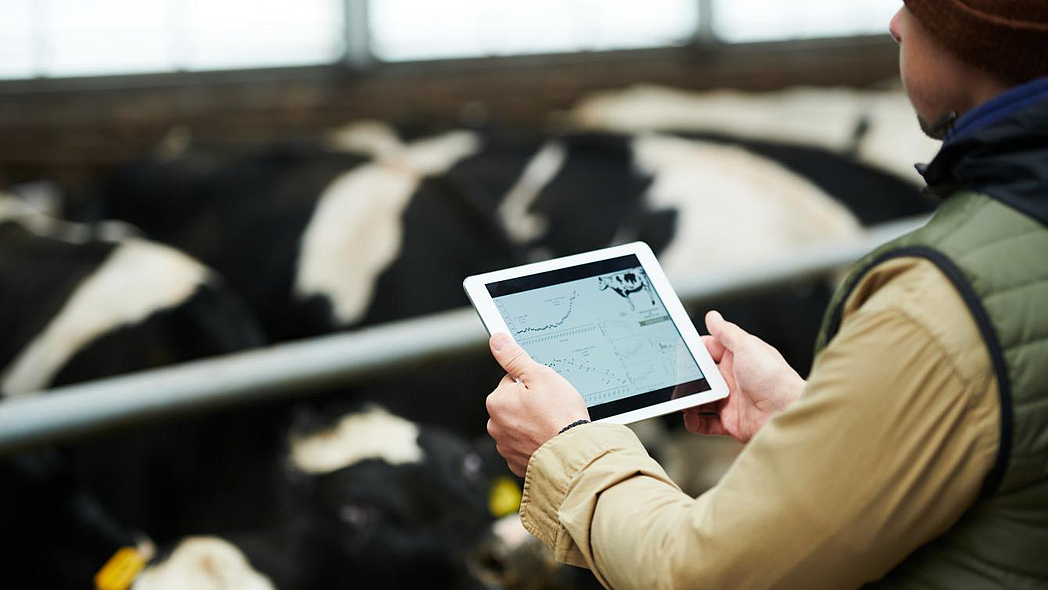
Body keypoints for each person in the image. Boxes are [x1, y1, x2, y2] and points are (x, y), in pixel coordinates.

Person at [484, 2, 1048, 588]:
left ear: (980, 39)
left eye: (918, 8)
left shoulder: (936, 304)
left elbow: (703, 574)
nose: (896, 25)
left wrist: (567, 452)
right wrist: (810, 417)